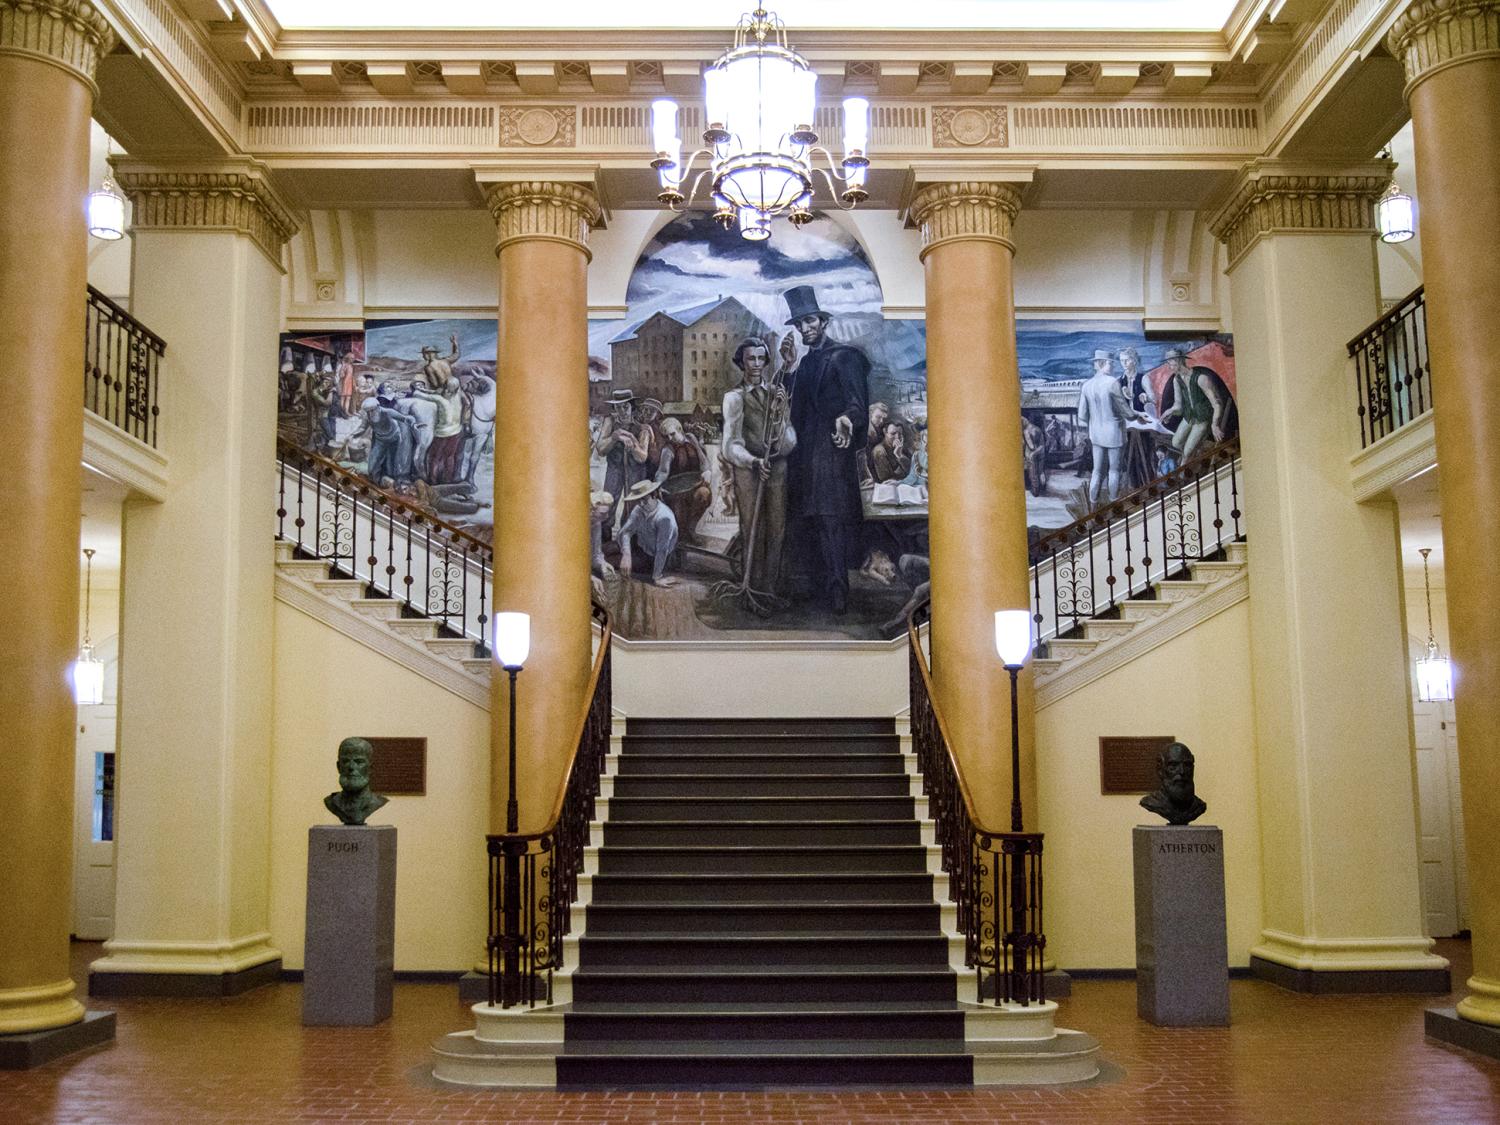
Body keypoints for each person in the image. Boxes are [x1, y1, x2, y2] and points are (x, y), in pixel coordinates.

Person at [779, 285, 870, 614]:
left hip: (830, 454)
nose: (804, 328)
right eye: (799, 323)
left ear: (823, 322)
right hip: (803, 455)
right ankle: (813, 588)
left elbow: (858, 405)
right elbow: (790, 404)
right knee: (806, 520)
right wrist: (788, 367)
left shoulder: (844, 357)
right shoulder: (804, 363)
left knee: (831, 521)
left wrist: (847, 419)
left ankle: (837, 591)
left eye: (809, 321)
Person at [722, 336, 798, 600]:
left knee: (777, 528)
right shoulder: (734, 398)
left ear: (766, 362)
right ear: (741, 363)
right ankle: (751, 588)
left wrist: (780, 417)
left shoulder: (777, 393)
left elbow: (790, 439)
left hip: (777, 470)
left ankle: (770, 590)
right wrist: (753, 462)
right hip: (748, 471)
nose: (756, 364)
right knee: (753, 529)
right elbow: (730, 444)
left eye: (760, 359)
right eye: (750, 359)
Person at [1077, 349, 1143, 505]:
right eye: (1111, 363)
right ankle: (1114, 504)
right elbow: (1126, 412)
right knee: (1114, 470)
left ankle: (1093, 505)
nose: (1113, 366)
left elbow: (1082, 415)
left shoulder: (1086, 385)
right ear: (1103, 363)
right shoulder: (1113, 383)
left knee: (1097, 471)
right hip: (1114, 434)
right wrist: (1137, 416)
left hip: (1096, 435)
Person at [1159, 346, 1234, 460]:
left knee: (1187, 452)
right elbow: (1178, 406)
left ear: (1178, 361)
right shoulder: (1177, 380)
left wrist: (1215, 424)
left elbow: (1217, 404)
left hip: (1203, 418)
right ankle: (1196, 449)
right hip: (1189, 417)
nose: (1169, 367)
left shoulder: (1201, 378)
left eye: (1170, 363)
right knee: (1176, 443)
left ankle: (1186, 461)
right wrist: (1170, 412)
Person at [593, 389, 653, 530]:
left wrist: (632, 443)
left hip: (635, 471)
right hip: (614, 470)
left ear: (632, 407)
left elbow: (642, 457)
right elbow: (601, 450)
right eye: (618, 407)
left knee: (633, 506)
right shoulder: (610, 422)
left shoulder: (642, 428)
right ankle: (606, 537)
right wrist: (615, 437)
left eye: (625, 407)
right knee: (608, 503)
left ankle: (630, 536)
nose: (622, 411)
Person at [654, 417, 712, 541]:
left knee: (704, 494)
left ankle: (691, 528)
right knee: (680, 520)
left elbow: (703, 459)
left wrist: (707, 471)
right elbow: (663, 471)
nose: (670, 438)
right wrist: (657, 485)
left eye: (672, 434)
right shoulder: (668, 449)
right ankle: (680, 538)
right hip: (677, 492)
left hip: (695, 484)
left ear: (680, 430)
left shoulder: (691, 438)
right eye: (667, 436)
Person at [618, 479, 679, 587]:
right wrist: (626, 554)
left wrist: (657, 577)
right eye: (638, 500)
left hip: (652, 558)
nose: (641, 504)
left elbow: (662, 550)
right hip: (640, 546)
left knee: (611, 561)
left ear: (654, 495)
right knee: (607, 549)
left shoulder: (664, 517)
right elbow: (626, 532)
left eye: (644, 500)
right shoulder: (639, 509)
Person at [323, 736, 389, 826]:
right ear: (338, 767)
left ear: (370, 768)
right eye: (345, 761)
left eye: (359, 762)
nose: (351, 767)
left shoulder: (376, 802)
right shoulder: (331, 802)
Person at [410, 376, 465, 484]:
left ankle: (432, 480)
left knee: (434, 457)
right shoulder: (457, 396)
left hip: (442, 433)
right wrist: (425, 389)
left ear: (445, 387)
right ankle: (447, 479)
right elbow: (436, 392)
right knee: (449, 457)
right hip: (456, 432)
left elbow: (420, 395)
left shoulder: (440, 399)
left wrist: (417, 390)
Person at [1139, 741, 1208, 826]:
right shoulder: (1152, 802)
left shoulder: (1198, 806)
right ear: (1160, 770)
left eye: (1187, 765)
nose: (1182, 771)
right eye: (1173, 766)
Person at [359, 396, 417, 487]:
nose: (370, 413)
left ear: (378, 407)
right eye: (368, 411)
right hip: (380, 441)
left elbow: (405, 418)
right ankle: (375, 482)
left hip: (394, 439)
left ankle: (392, 484)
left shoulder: (388, 412)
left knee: (391, 464)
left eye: (372, 410)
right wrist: (353, 435)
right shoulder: (367, 416)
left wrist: (413, 423)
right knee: (372, 465)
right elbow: (362, 428)